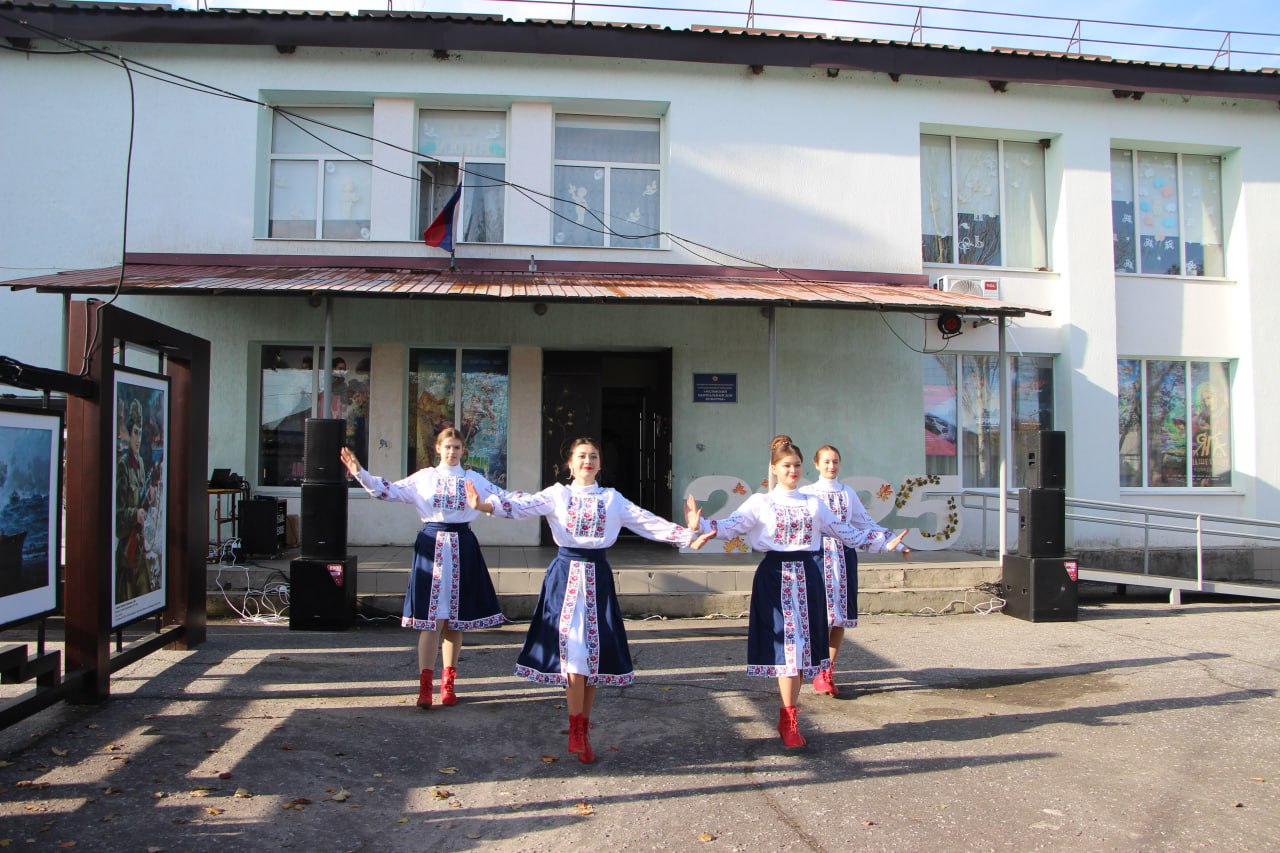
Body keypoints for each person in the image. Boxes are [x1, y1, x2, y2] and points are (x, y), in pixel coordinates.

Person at [467, 437, 712, 764]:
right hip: (565, 577)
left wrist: (688, 534)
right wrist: (485, 506)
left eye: (593, 456)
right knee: (573, 653)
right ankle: (576, 728)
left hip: (597, 577)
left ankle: (582, 728)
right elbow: (520, 506)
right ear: (570, 463)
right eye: (581, 456)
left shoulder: (612, 499)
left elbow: (646, 522)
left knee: (591, 657)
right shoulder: (557, 494)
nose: (587, 461)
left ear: (599, 464)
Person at [694, 435, 908, 749]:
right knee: (787, 649)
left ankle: (789, 716)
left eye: (796, 465)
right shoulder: (761, 502)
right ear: (775, 469)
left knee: (801, 651)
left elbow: (846, 532)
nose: (793, 471)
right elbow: (730, 526)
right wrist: (700, 526)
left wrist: (881, 543)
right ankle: (788, 716)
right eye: (786, 466)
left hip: (808, 576)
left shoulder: (814, 503)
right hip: (774, 576)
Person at [340, 427, 512, 710]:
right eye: (447, 447)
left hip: (462, 545)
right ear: (437, 449)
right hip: (432, 545)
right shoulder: (425, 478)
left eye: (457, 447)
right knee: (432, 618)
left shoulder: (473, 479)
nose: (452, 452)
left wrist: (543, 503)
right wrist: (361, 472)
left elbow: (503, 498)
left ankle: (448, 684)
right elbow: (388, 490)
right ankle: (424, 686)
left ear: (463, 450)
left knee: (454, 620)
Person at [800, 444, 910, 698]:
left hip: (843, 557)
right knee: (818, 616)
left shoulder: (847, 493)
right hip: (816, 559)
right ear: (816, 464)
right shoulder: (807, 493)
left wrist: (896, 543)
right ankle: (811, 664)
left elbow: (865, 523)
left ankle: (827, 672)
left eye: (835, 461)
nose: (831, 466)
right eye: (826, 461)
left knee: (838, 617)